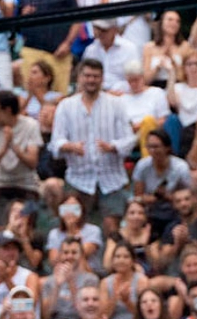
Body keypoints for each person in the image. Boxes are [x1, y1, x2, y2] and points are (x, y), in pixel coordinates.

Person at [50, 59, 136, 236]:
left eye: (95, 76)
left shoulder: (116, 104)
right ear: (79, 77)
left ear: (102, 78)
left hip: (112, 179)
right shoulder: (66, 106)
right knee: (72, 227)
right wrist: (70, 146)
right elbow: (55, 143)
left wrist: (112, 147)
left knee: (112, 227)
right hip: (78, 179)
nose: (91, 80)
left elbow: (129, 140)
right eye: (87, 76)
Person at [0, 90, 44, 232]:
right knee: (1, 228)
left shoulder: (30, 125)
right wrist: (3, 148)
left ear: (7, 110)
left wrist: (13, 145)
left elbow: (32, 162)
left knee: (25, 227)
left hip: (26, 185)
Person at [18, 0, 82, 93]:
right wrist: (24, 15)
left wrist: (67, 43)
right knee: (29, 96)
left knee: (59, 95)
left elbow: (77, 19)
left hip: (58, 53)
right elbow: (18, 23)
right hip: (32, 51)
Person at [43, 236, 100, 319]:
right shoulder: (50, 280)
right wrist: (57, 286)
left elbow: (86, 312)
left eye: (74, 253)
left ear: (81, 255)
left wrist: (70, 281)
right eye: (65, 252)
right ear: (60, 255)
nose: (69, 256)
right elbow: (46, 315)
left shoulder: (90, 280)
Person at [99, 242, 148, 319]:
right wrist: (114, 297)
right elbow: (102, 316)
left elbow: (145, 314)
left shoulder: (142, 281)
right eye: (117, 257)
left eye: (126, 257)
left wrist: (127, 301)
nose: (121, 260)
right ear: (113, 260)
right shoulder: (105, 283)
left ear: (133, 261)